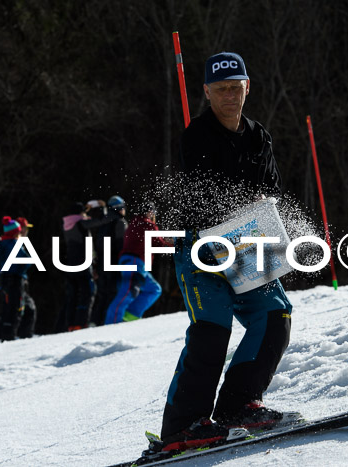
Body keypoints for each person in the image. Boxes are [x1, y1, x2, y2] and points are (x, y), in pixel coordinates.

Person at [160, 52, 293, 451]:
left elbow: (272, 189)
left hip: (248, 240)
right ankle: (184, 425)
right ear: (206, 92)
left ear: (247, 87)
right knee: (212, 330)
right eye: (221, 90)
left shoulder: (259, 136)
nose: (230, 96)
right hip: (202, 246)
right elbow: (205, 195)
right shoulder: (196, 135)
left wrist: (262, 207)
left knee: (276, 315)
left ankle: (238, 405)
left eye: (236, 88)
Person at [104, 201, 167, 324]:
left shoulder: (134, 223)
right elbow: (159, 243)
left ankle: (129, 316)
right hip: (134, 261)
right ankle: (111, 324)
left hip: (135, 262)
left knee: (154, 289)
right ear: (150, 212)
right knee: (127, 292)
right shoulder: (147, 224)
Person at [57, 201, 115, 331]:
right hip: (83, 265)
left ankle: (70, 324)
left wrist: (86, 211)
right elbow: (101, 221)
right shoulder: (80, 224)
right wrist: (103, 208)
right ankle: (81, 323)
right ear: (80, 213)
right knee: (87, 294)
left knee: (72, 296)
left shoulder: (67, 224)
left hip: (70, 266)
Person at [91, 196, 128, 326]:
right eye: (123, 207)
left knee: (102, 294)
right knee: (113, 294)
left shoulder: (103, 223)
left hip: (101, 262)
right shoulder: (119, 222)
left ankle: (95, 321)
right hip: (113, 262)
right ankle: (107, 324)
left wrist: (95, 264)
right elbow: (121, 244)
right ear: (118, 208)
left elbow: (97, 244)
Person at [0, 216, 31, 340]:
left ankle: (3, 333)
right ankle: (11, 335)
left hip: (4, 279)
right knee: (16, 307)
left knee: (7, 306)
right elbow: (26, 260)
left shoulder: (1, 243)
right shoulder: (15, 244)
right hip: (16, 279)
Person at [15, 217, 37, 338]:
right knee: (27, 308)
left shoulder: (18, 241)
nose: (26, 231)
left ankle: (22, 335)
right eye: (25, 228)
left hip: (18, 281)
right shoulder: (15, 242)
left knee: (26, 308)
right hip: (16, 281)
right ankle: (23, 336)